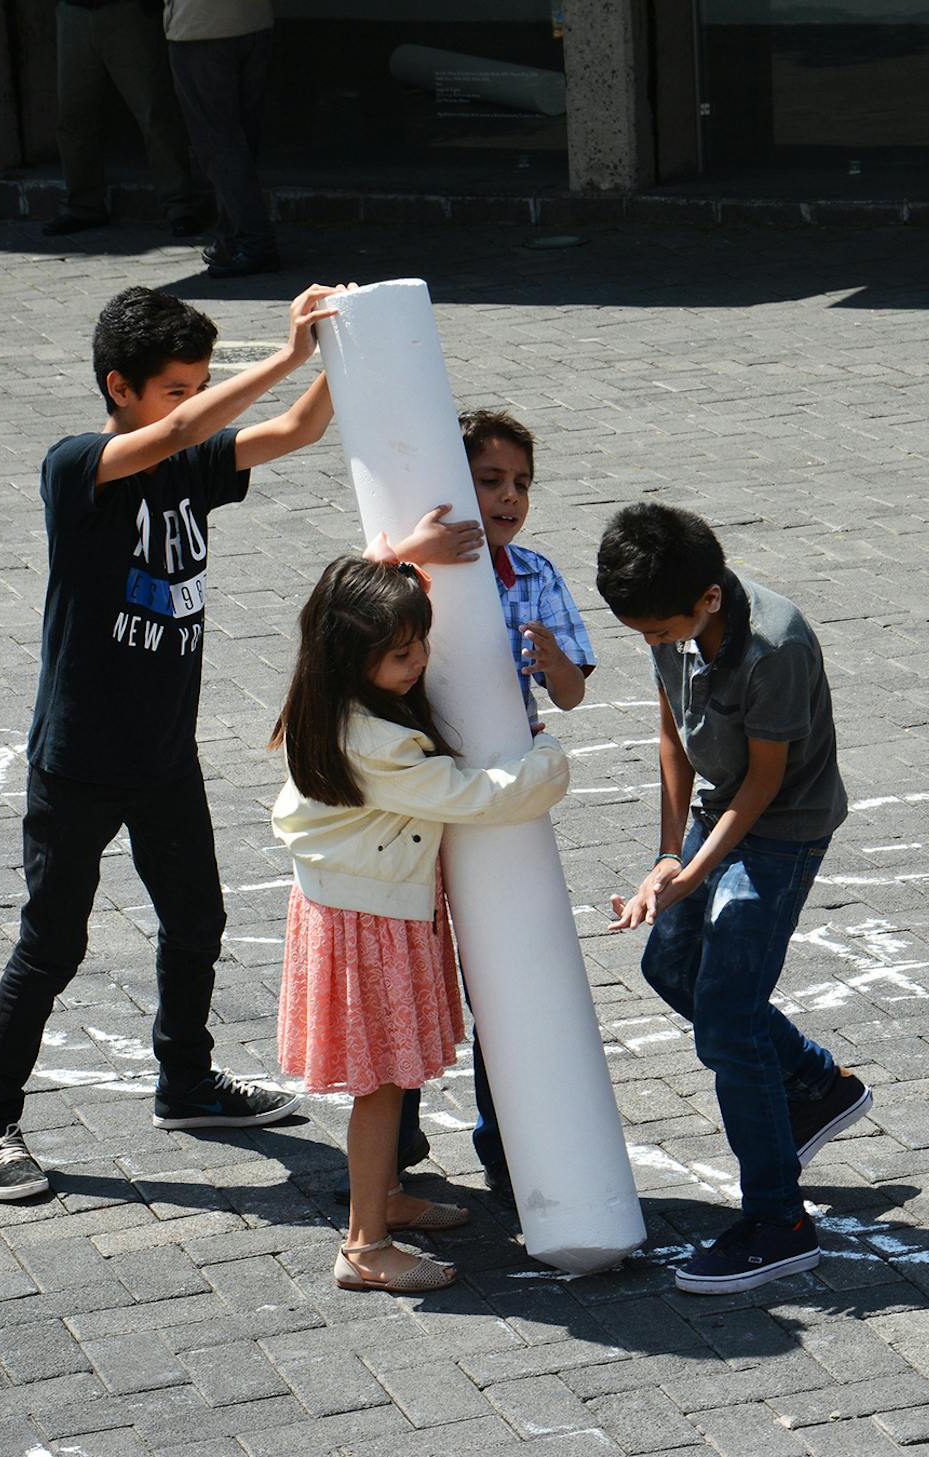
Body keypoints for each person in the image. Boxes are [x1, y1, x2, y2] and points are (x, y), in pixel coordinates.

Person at [0, 283, 345, 1202]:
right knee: (52, 946)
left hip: (165, 757)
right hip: (79, 762)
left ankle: (185, 1081)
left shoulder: (190, 463)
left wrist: (344, 347)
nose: (193, 404)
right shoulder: (76, 467)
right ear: (119, 387)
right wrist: (285, 355)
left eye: (199, 386)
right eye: (178, 387)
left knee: (198, 922)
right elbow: (176, 433)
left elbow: (297, 430)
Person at [269, 556, 570, 1292]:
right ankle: (364, 1245)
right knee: (380, 1083)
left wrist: (416, 545)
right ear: (353, 655)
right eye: (402, 654)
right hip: (370, 920)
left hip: (367, 908)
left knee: (392, 1073)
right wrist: (546, 757)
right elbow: (474, 796)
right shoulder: (376, 744)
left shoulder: (335, 704)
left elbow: (360, 581)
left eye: (420, 645)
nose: (421, 662)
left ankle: (386, 1196)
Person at [598, 503, 872, 1295]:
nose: (652, 643)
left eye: (659, 630)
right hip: (719, 812)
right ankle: (816, 1084)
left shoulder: (775, 646)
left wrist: (694, 871)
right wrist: (666, 854)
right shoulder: (670, 619)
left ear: (709, 598)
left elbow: (764, 783)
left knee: (725, 1017)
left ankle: (780, 1222)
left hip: (782, 828)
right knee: (668, 968)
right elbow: (670, 735)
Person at [395, 408, 597, 1192]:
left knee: (503, 972)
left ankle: (506, 1143)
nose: (510, 496)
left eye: (521, 483)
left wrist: (553, 663)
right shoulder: (416, 566)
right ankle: (394, 1136)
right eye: (490, 480)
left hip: (501, 802)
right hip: (417, 796)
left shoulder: (536, 576)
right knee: (406, 962)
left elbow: (572, 692)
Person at [45, 0, 210, 239]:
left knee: (155, 112)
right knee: (74, 115)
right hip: (74, 11)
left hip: (128, 11)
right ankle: (82, 206)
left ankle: (179, 206)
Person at [164, 0, 278, 278]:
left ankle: (255, 242)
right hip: (253, 21)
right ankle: (232, 237)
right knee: (241, 141)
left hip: (200, 28)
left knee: (219, 144)